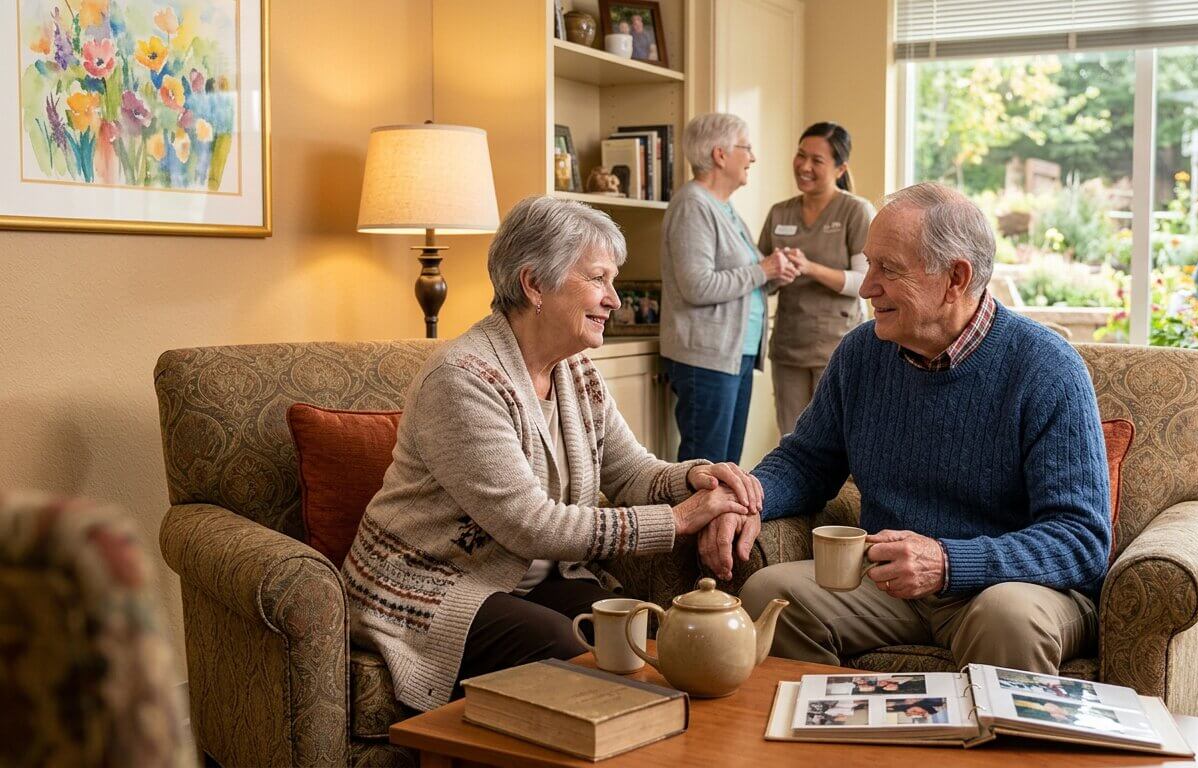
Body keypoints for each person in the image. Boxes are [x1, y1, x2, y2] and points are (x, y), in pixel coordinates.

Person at [344, 196, 763, 713]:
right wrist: (677, 520)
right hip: (434, 588)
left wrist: (699, 477)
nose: (614, 298)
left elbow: (631, 471)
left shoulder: (576, 372)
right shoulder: (460, 380)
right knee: (574, 653)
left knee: (648, 637)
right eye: (598, 279)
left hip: (532, 581)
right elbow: (530, 525)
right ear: (534, 285)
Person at [704, 182, 1111, 674]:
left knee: (1008, 618)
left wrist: (947, 562)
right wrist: (749, 497)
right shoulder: (861, 354)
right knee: (770, 594)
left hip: (1013, 587)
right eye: (868, 263)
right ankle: (832, 746)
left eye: (888, 269)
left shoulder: (1047, 369)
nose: (866, 286)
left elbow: (1081, 540)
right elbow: (807, 461)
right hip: (890, 585)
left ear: (955, 278)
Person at [660, 112, 798, 463]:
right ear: (720, 154)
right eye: (746, 148)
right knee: (705, 467)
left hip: (735, 354)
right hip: (706, 357)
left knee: (727, 466)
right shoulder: (693, 205)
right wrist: (762, 269)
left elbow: (744, 280)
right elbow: (697, 285)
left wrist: (773, 275)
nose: (753, 157)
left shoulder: (724, 207)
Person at [759, 122, 876, 435]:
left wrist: (810, 268)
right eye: (800, 156)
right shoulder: (779, 213)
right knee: (792, 437)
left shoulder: (856, 211)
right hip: (788, 347)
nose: (804, 166)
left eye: (817, 160)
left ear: (840, 169)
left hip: (836, 348)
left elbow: (863, 284)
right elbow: (761, 281)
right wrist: (775, 271)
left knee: (837, 439)